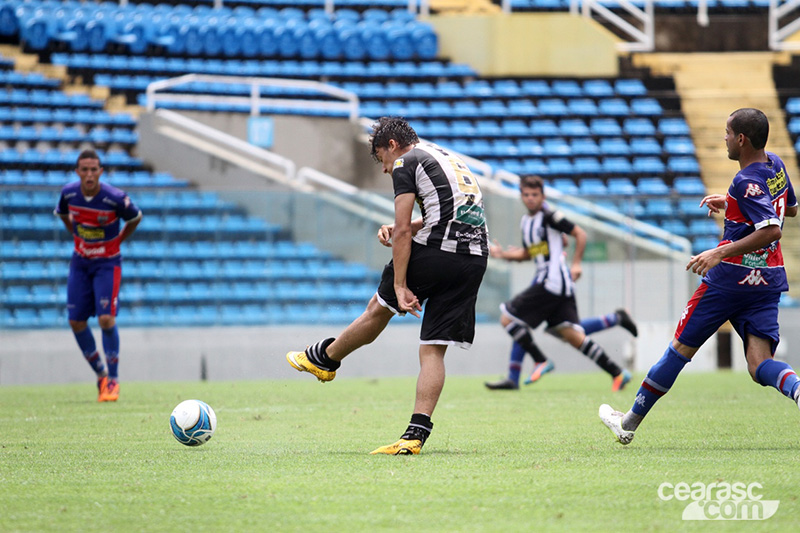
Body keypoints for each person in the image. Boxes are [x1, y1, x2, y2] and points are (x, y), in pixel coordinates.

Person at [286, 116, 489, 455]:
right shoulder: (447, 156)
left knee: (378, 308)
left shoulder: (405, 162)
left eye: (381, 158)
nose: (384, 169)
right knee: (432, 349)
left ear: (391, 146)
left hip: (439, 251)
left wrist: (399, 284)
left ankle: (324, 358)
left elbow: (406, 232)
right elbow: (454, 212)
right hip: (474, 258)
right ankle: (415, 435)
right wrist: (401, 227)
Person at [600, 108, 799, 445]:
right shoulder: (776, 166)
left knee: (680, 349)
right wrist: (733, 203)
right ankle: (797, 389)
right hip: (766, 279)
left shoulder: (745, 179)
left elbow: (771, 230)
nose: (723, 138)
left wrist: (719, 251)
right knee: (759, 363)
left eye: (726, 132)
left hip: (728, 280)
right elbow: (789, 209)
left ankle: (629, 422)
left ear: (741, 139)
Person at [489, 175, 632, 392]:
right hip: (554, 284)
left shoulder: (550, 216)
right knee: (572, 336)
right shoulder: (527, 221)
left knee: (509, 319)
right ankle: (618, 373)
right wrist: (503, 255)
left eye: (534, 195)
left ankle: (539, 362)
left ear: (543, 196)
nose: (530, 199)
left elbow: (580, 234)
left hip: (552, 282)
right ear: (521, 195)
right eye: (526, 195)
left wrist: (576, 264)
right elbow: (533, 252)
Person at [55, 149, 142, 402]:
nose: (90, 174)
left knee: (105, 318)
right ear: (78, 172)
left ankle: (113, 380)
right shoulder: (68, 194)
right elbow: (63, 214)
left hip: (107, 263)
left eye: (94, 169)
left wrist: (118, 241)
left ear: (101, 172)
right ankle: (101, 374)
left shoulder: (114, 198)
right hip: (80, 262)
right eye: (85, 169)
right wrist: (76, 235)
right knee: (76, 321)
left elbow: (136, 217)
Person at [485, 308, 638, 390]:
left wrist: (576, 262)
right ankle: (616, 319)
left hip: (552, 285)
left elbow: (560, 248)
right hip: (548, 282)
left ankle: (532, 365)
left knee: (513, 319)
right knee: (567, 332)